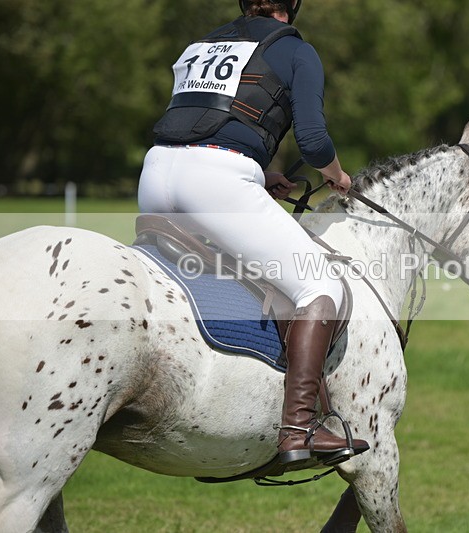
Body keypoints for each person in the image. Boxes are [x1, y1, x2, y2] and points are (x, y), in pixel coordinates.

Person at [138, 0, 368, 468]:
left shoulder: (203, 44)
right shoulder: (296, 51)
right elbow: (314, 139)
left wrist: (260, 176)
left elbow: (201, 122)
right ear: (292, 6)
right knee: (319, 284)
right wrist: (337, 175)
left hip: (156, 172)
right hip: (216, 182)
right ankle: (298, 429)